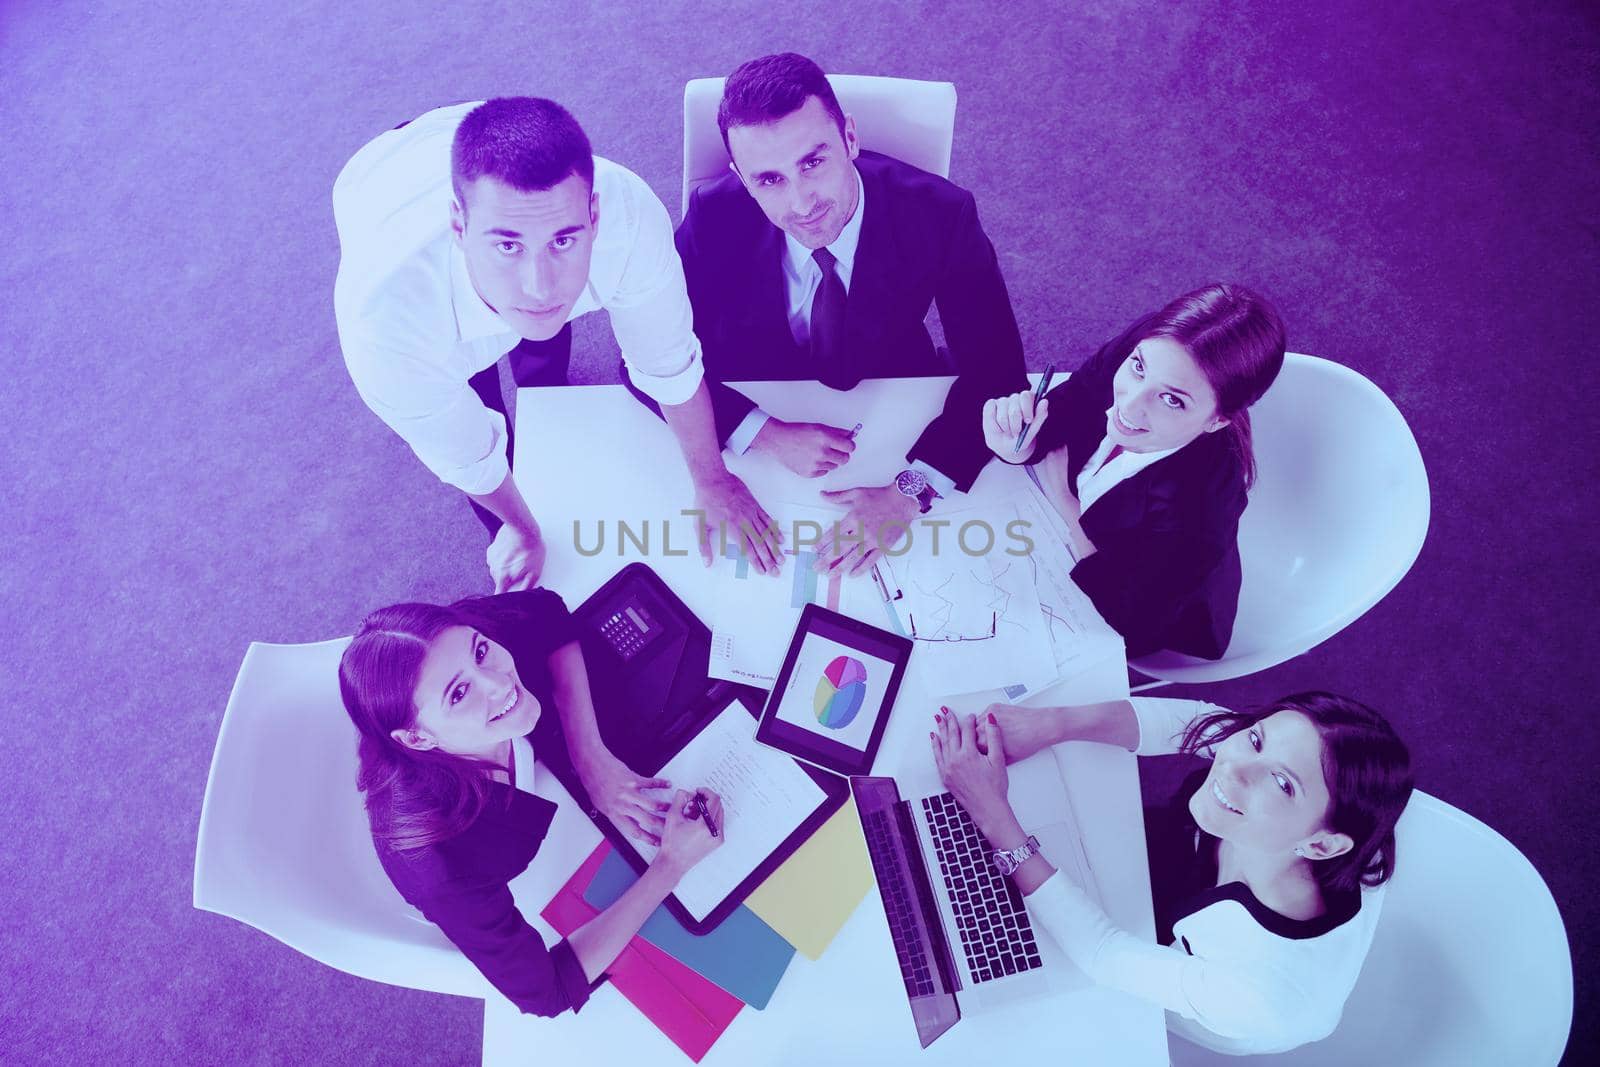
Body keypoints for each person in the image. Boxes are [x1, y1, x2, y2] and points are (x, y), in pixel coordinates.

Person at [334, 98, 782, 591]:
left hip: (474, 136)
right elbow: (469, 456)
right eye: (508, 246)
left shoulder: (629, 219)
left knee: (542, 344)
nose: (541, 286)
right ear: (458, 227)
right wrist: (522, 531)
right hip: (382, 180)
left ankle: (542, 380)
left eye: (564, 241)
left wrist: (712, 478)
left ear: (594, 215)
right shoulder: (387, 331)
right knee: (478, 401)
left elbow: (668, 365)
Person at [659, 52, 1030, 575]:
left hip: (887, 377)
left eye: (813, 162)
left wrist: (909, 492)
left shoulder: (942, 215)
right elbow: (648, 359)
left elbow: (999, 377)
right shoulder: (714, 214)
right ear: (742, 177)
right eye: (769, 180)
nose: (802, 202)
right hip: (753, 389)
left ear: (850, 139)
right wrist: (762, 431)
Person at [932, 693, 1413, 1055]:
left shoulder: (1263, 992)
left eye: (1283, 783)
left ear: (1322, 845)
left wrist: (993, 814)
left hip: (1186, 978)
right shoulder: (1303, 817)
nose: (1235, 767)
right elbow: (1203, 724)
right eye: (1257, 739)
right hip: (1184, 876)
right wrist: (1053, 724)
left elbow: (1104, 954)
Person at [339, 588, 725, 1017]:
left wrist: (589, 756)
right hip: (527, 884)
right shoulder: (441, 866)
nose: (501, 681)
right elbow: (549, 991)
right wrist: (671, 864)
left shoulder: (458, 643)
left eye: (482, 652)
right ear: (417, 738)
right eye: (458, 693)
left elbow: (547, 612)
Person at [984, 283, 1285, 658]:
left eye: (1172, 399)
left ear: (1217, 421)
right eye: (1138, 368)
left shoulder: (1202, 505)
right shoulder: (1148, 348)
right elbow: (1069, 405)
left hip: (1145, 614)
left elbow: (1136, 624)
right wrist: (1018, 445)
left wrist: (1068, 511)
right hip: (1052, 548)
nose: (1129, 404)